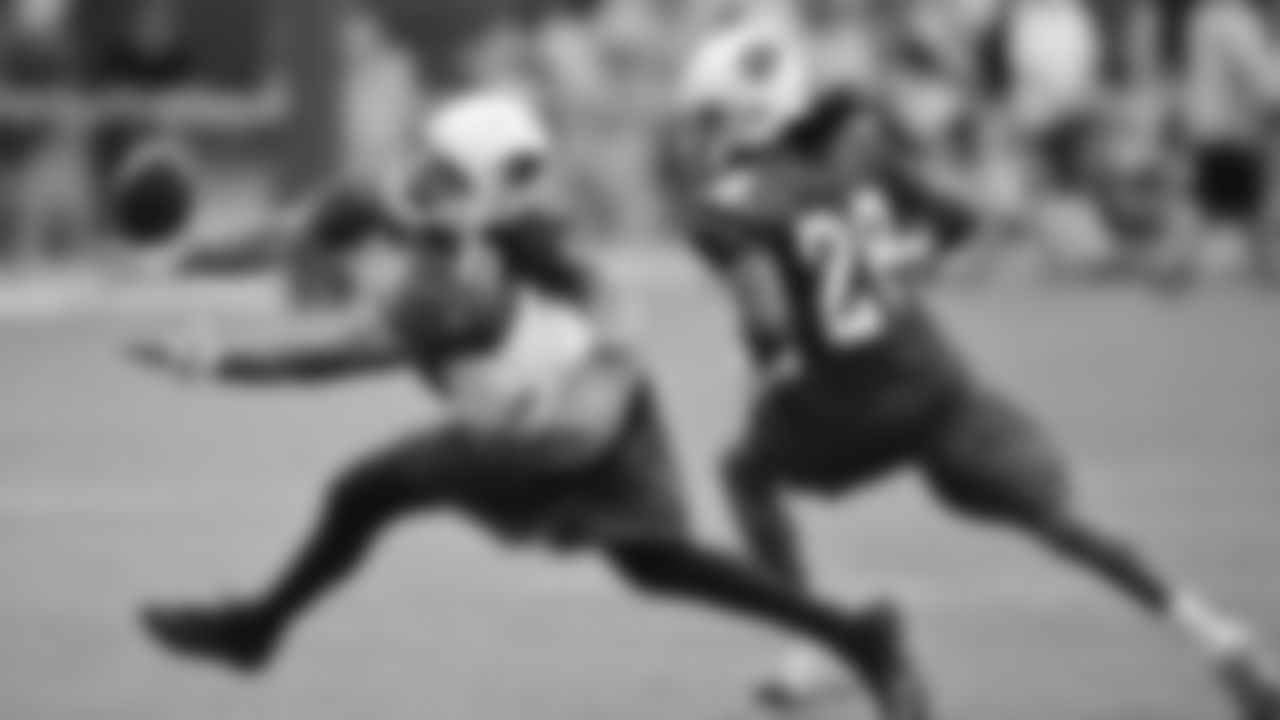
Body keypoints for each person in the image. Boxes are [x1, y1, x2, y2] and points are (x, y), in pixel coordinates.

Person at [132, 89, 927, 720]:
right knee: (655, 563)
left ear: (487, 192)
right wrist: (183, 253)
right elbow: (285, 231)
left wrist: (217, 361)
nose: (426, 182)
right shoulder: (401, 206)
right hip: (564, 408)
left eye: (450, 177)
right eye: (432, 162)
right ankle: (859, 637)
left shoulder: (458, 281)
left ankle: (254, 632)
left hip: (553, 428)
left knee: (364, 492)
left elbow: (331, 358)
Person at [671, 19, 1280, 719]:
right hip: (932, 381)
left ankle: (812, 651)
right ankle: (1213, 633)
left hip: (844, 403)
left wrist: (764, 369)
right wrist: (896, 265)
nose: (702, 133)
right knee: (1061, 523)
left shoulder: (729, 206)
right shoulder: (854, 149)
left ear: (744, 115)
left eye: (711, 116)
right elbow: (962, 221)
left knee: (742, 472)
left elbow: (768, 322)